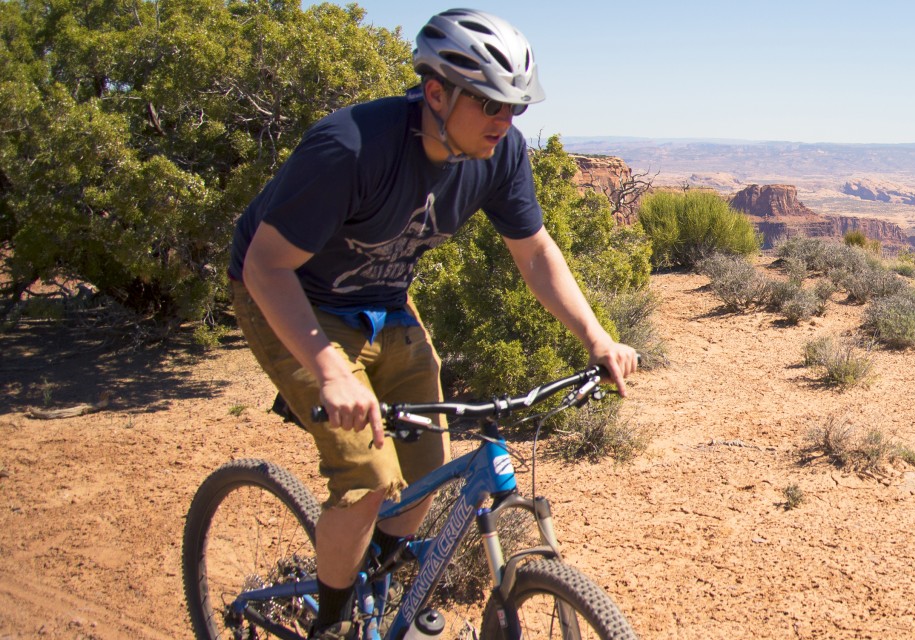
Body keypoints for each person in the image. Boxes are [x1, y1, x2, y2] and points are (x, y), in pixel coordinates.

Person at [226, 9, 636, 638]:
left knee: (423, 474)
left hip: (385, 300)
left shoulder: (499, 156)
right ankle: (332, 621)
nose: (505, 121)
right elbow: (266, 267)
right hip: (290, 295)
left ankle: (383, 584)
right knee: (367, 480)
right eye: (491, 105)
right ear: (437, 93)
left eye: (515, 108)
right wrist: (332, 371)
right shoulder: (351, 148)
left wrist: (597, 337)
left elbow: (535, 253)